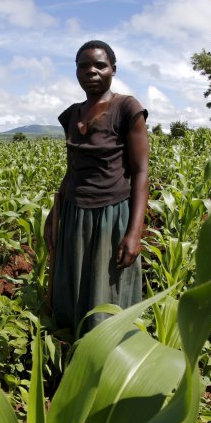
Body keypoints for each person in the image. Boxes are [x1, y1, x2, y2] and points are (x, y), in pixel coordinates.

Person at [44, 40, 149, 337]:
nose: (91, 71)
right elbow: (71, 170)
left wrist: (134, 233)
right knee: (73, 286)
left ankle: (108, 352)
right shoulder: (72, 114)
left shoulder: (128, 108)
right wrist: (55, 213)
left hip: (111, 215)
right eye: (83, 65)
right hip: (75, 213)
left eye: (99, 65)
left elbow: (141, 173)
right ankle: (72, 348)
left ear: (113, 70)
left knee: (107, 292)